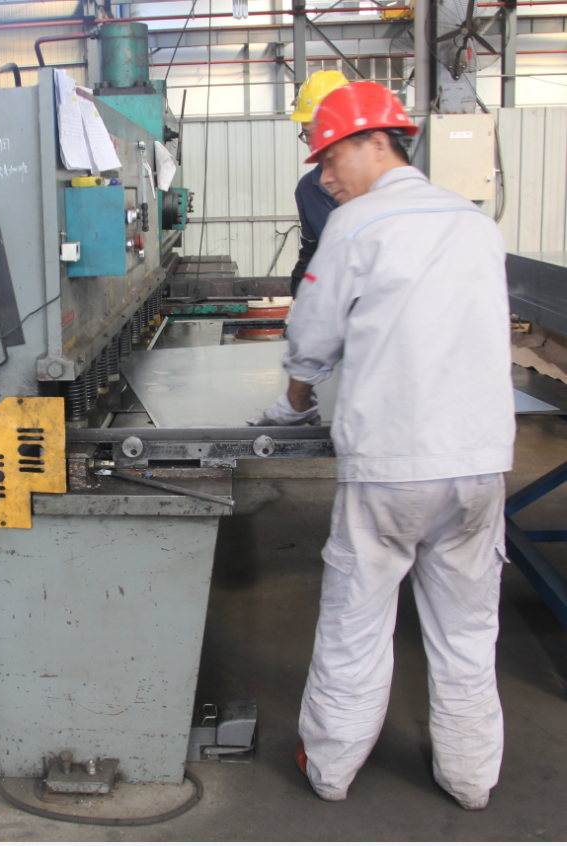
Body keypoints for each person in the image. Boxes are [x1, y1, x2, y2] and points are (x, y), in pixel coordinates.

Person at [248, 81, 516, 811]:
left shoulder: (356, 225)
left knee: (355, 620)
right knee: (467, 631)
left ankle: (330, 767)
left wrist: (293, 402)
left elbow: (312, 336)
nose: (325, 178)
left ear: (376, 143)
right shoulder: (474, 224)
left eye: (331, 158)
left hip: (392, 467)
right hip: (478, 464)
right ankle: (470, 779)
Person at [289, 70, 349, 297]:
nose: (314, 144)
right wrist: (301, 284)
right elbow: (312, 249)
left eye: (321, 132)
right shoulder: (307, 189)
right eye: (307, 134)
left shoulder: (379, 187)